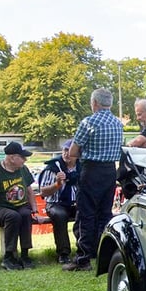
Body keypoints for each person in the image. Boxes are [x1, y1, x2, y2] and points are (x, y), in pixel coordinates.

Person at [63, 88, 124, 272]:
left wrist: (85, 152)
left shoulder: (88, 122)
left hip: (91, 170)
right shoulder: (117, 123)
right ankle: (103, 252)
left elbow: (73, 151)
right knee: (105, 213)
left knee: (86, 213)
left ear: (95, 103)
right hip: (109, 172)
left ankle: (83, 258)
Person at [0, 142, 38, 270]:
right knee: (13, 216)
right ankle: (8, 257)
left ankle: (25, 255)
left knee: (25, 214)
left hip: (20, 205)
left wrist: (35, 210)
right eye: (22, 157)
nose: (25, 160)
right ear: (12, 158)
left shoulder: (23, 169)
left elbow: (29, 190)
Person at [36, 139, 80, 264]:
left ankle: (84, 249)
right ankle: (64, 253)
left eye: (70, 151)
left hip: (76, 202)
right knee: (59, 215)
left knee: (86, 212)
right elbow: (43, 192)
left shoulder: (81, 168)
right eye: (65, 150)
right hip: (55, 203)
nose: (66, 154)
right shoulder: (53, 168)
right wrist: (57, 184)